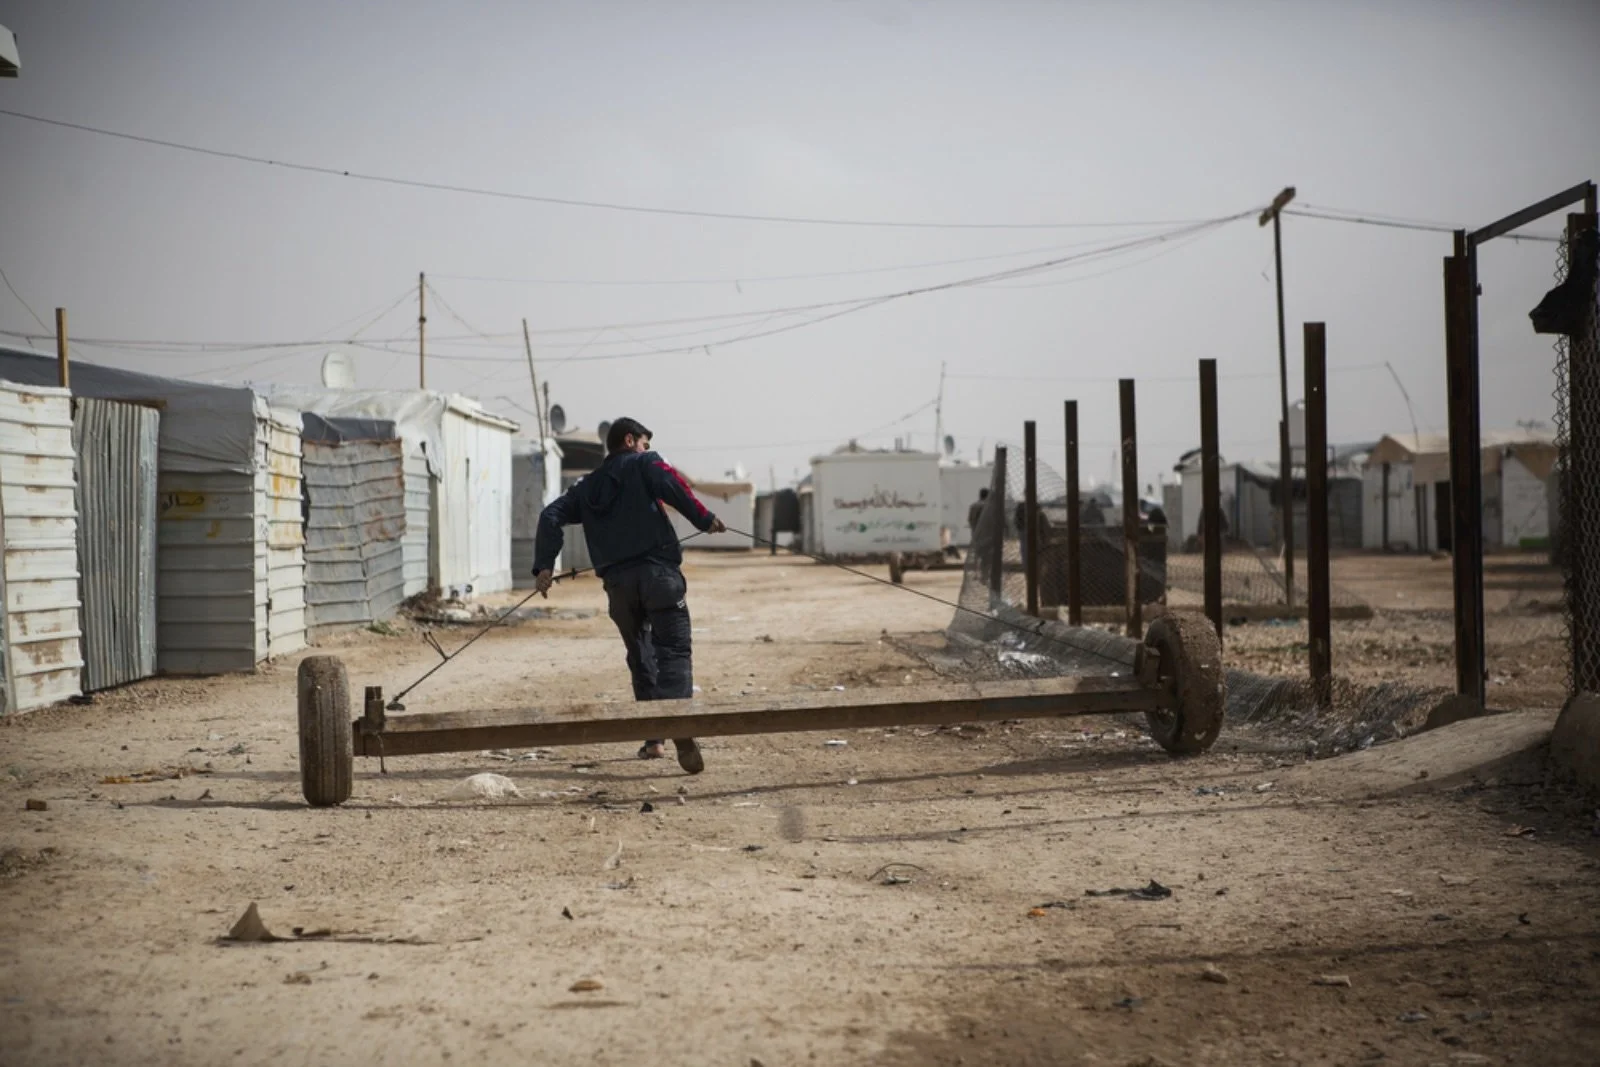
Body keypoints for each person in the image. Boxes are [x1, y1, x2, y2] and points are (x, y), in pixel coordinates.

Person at [533, 417, 725, 774]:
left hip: (619, 588)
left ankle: (654, 740)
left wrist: (544, 566)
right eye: (644, 442)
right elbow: (674, 486)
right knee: (674, 650)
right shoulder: (645, 464)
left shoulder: (586, 487)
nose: (647, 449)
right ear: (629, 439)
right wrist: (705, 519)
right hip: (659, 577)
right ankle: (678, 723)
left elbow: (550, 515)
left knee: (640, 654)